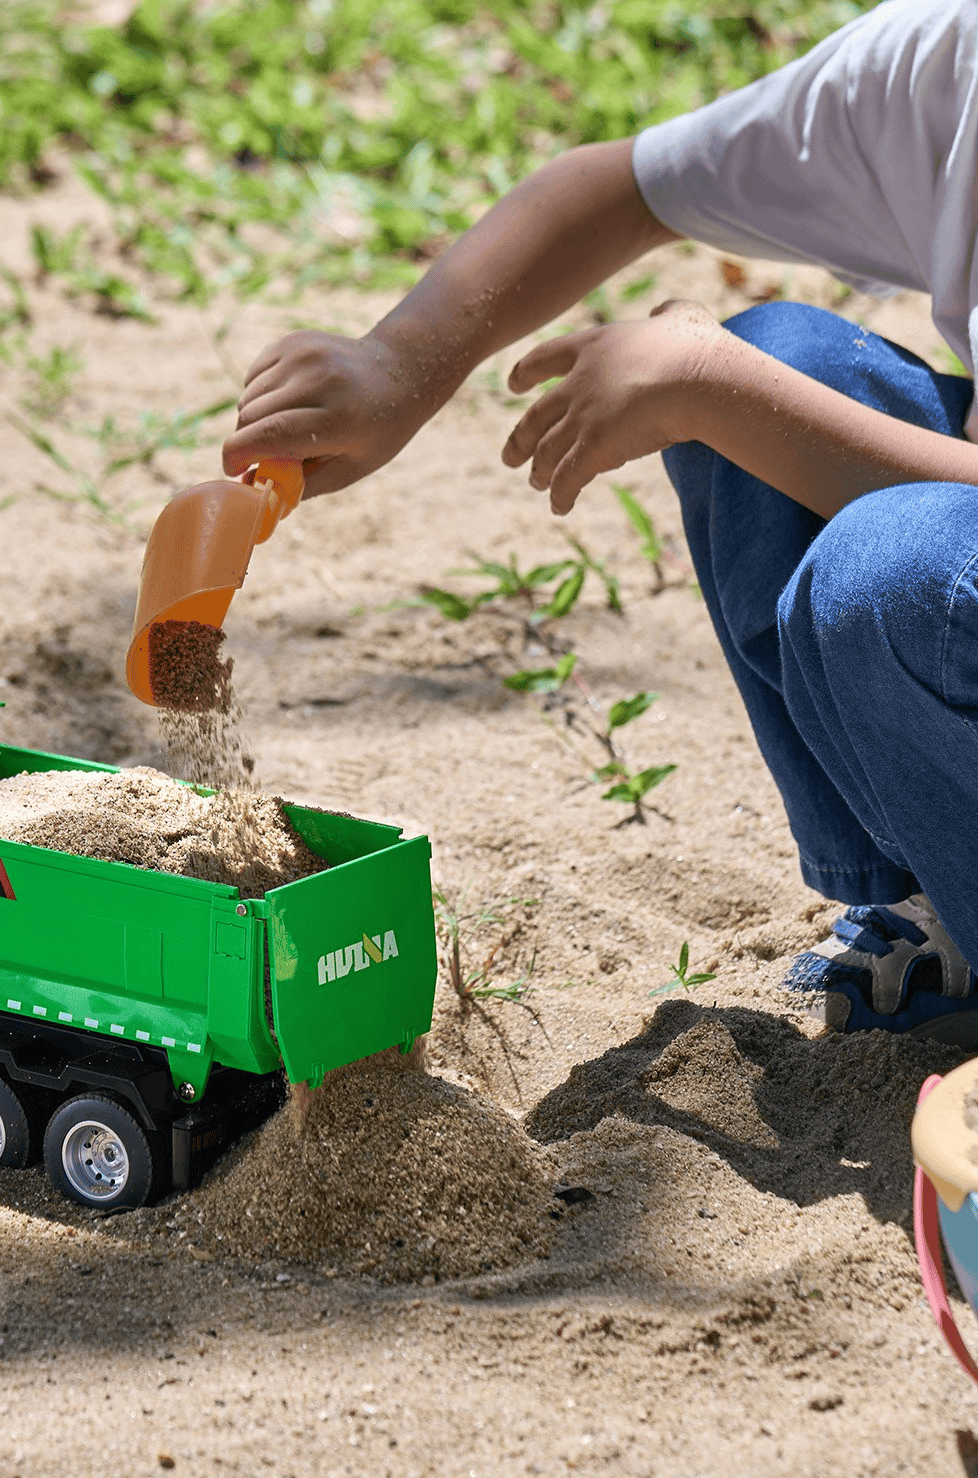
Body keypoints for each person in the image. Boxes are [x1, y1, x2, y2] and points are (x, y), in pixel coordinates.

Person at [222, 0, 978, 1046]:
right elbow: (623, 187)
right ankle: (929, 895)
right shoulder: (947, 59)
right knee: (785, 357)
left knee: (883, 567)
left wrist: (712, 386)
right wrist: (399, 364)